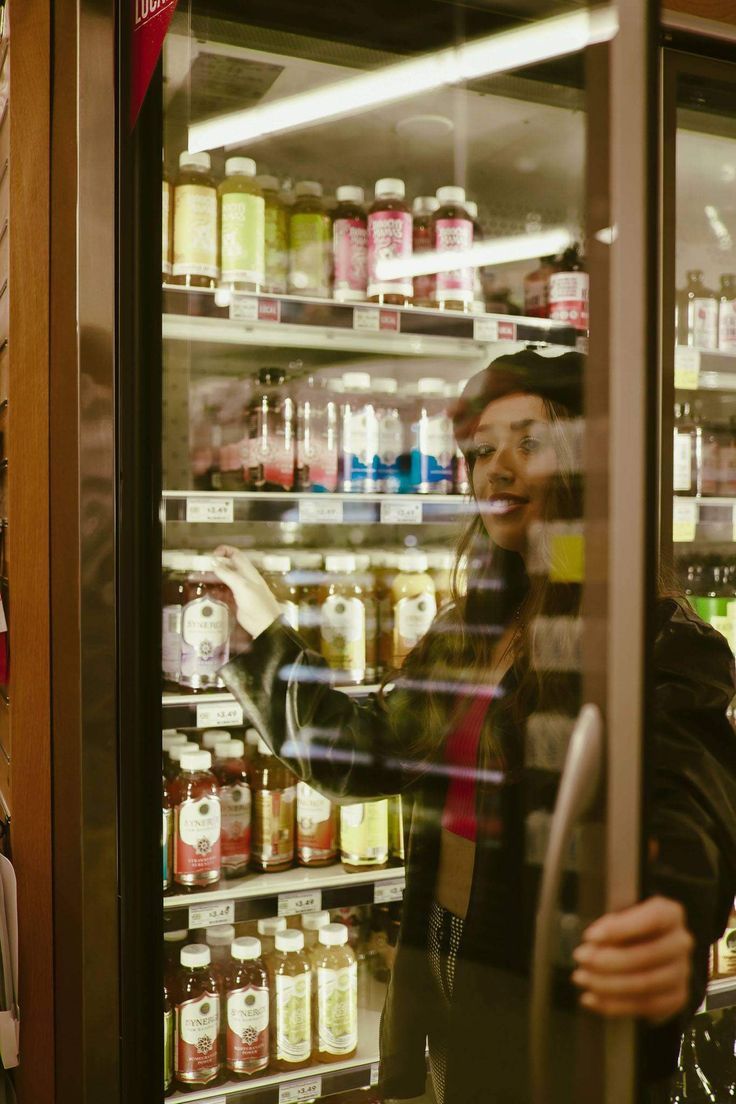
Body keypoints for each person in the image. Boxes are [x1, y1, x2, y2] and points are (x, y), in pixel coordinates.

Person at [213, 350, 736, 1104]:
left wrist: (672, 905)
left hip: (554, 992)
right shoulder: (467, 632)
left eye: (529, 443)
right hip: (445, 954)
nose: (496, 470)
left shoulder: (659, 639)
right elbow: (360, 755)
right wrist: (262, 632)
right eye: (482, 451)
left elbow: (695, 797)